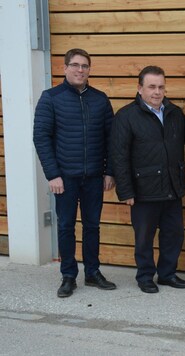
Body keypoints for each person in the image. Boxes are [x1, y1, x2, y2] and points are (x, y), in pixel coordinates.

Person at [33, 48, 117, 298]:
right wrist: (52, 174)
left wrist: (109, 171)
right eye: (76, 65)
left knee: (93, 226)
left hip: (93, 177)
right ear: (65, 67)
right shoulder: (51, 98)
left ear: (89, 70)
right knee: (66, 226)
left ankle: (92, 272)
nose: (80, 70)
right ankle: (68, 275)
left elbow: (111, 139)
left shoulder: (100, 99)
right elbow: (41, 137)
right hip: (65, 178)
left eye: (85, 66)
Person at [110, 66, 185, 294]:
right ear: (139, 88)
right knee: (144, 237)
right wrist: (126, 192)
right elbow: (119, 156)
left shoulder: (173, 112)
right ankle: (145, 276)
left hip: (172, 187)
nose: (157, 92)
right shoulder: (126, 116)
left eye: (161, 87)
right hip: (143, 190)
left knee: (173, 234)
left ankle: (167, 274)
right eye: (152, 87)